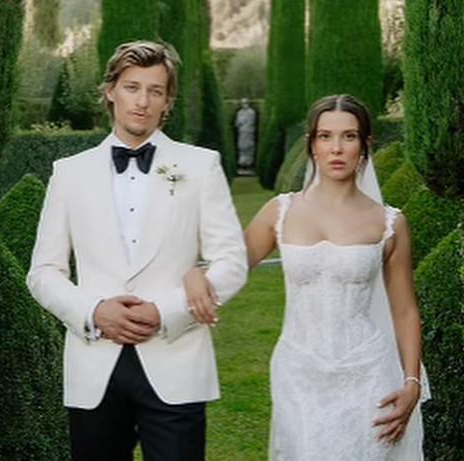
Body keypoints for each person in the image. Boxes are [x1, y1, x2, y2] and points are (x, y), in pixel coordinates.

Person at [26, 40, 248, 461]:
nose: (142, 101)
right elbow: (43, 271)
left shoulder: (201, 166)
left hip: (176, 360)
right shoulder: (69, 173)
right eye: (132, 87)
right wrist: (94, 311)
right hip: (94, 363)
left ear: (168, 102)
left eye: (155, 91)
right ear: (110, 91)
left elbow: (232, 262)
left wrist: (166, 311)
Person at [184, 94, 429, 460]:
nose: (336, 148)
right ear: (312, 144)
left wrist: (411, 382)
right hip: (299, 371)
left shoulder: (389, 222)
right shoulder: (279, 212)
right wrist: (194, 274)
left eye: (349, 136)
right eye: (325, 136)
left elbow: (405, 311)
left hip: (368, 372)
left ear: (365, 145)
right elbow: (231, 266)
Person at [234, 98, 257, 170]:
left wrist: (242, 121)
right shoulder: (239, 113)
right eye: (243, 103)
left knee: (249, 148)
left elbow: (251, 122)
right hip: (242, 132)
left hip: (249, 132)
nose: (244, 105)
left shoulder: (251, 112)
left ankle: (249, 163)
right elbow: (237, 123)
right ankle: (242, 163)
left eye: (245, 103)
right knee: (241, 147)